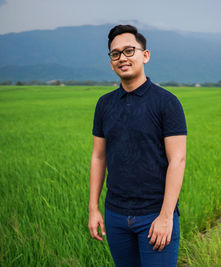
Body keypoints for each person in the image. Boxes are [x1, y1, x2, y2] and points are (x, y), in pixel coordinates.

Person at [88, 24, 187, 267]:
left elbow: (178, 160)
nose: (122, 58)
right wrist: (93, 209)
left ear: (145, 55)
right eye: (115, 53)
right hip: (115, 215)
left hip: (154, 215)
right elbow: (98, 157)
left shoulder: (166, 103)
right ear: (111, 61)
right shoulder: (104, 105)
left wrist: (166, 216)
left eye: (129, 50)